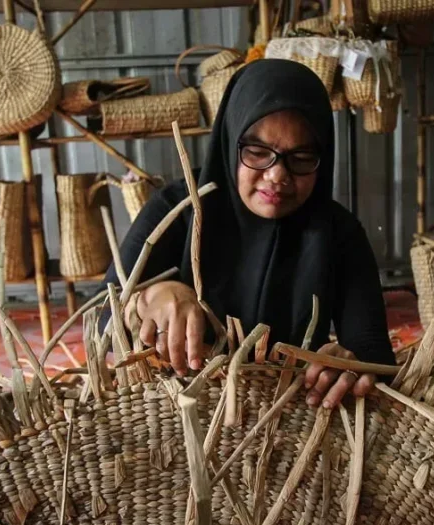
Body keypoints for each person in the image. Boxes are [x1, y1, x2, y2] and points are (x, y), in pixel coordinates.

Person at [99, 58, 395, 409]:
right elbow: (104, 320)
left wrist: (347, 364)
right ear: (230, 140)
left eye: (300, 158)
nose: (277, 176)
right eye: (257, 152)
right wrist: (153, 297)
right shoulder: (177, 209)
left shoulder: (338, 233)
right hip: (176, 409)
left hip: (289, 412)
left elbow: (373, 354)